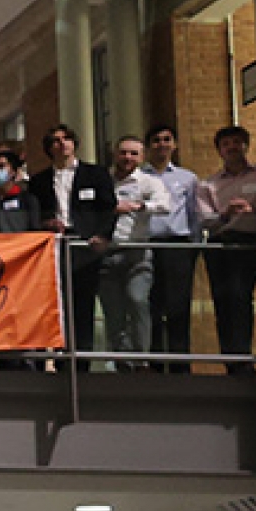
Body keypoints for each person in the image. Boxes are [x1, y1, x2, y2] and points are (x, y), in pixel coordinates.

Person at [30, 123, 118, 359]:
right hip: (55, 247)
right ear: (49, 148)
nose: (62, 143)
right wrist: (46, 223)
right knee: (58, 304)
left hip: (86, 247)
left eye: (66, 138)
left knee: (83, 304)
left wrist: (103, 236)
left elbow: (108, 209)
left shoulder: (96, 174)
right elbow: (34, 214)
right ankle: (61, 359)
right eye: (56, 140)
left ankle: (83, 360)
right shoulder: (38, 181)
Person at [201, 124, 256, 372]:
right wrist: (226, 213)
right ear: (219, 151)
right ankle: (231, 361)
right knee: (222, 299)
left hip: (249, 240)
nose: (231, 147)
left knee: (240, 295)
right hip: (220, 242)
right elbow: (205, 219)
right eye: (226, 144)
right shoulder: (209, 184)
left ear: (245, 145)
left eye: (236, 142)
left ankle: (243, 357)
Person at [103, 134, 173, 359]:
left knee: (137, 300)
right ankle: (122, 358)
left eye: (134, 153)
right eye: (123, 152)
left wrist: (139, 205)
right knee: (113, 311)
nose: (127, 157)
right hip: (107, 252)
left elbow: (165, 205)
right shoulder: (103, 179)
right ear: (115, 154)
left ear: (142, 157)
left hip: (138, 253)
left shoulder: (149, 182)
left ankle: (142, 356)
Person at [143, 124, 205, 366]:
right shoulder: (139, 179)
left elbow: (194, 214)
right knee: (152, 304)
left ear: (174, 144)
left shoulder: (187, 179)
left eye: (167, 139)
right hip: (147, 245)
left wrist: (195, 246)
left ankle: (181, 362)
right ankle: (156, 362)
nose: (162, 144)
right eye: (156, 140)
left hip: (178, 245)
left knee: (179, 304)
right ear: (149, 146)